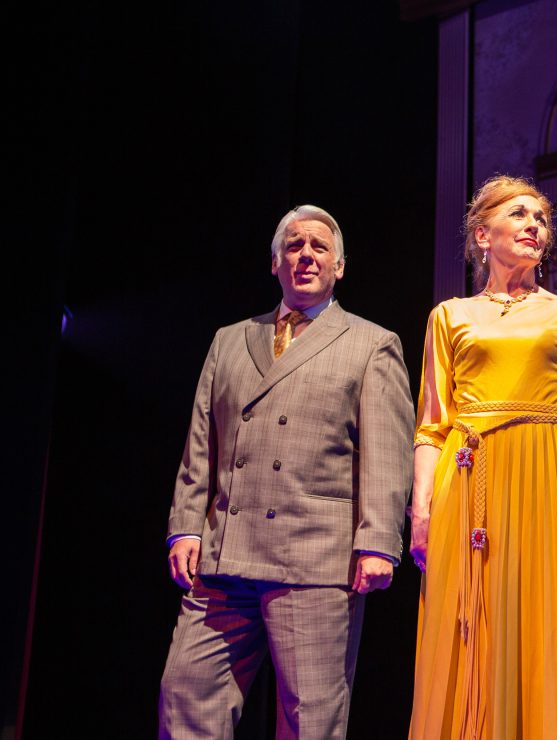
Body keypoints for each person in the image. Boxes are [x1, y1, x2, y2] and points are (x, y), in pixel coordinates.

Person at [158, 205, 415, 739]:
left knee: (310, 719)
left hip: (315, 558)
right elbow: (201, 441)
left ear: (339, 266)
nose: (306, 255)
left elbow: (386, 455)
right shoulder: (230, 339)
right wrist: (185, 527)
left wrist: (377, 542)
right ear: (275, 262)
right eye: (294, 246)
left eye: (319, 247)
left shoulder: (372, 343)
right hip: (224, 556)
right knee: (186, 694)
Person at [407, 175, 557, 739]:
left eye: (541, 219)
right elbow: (431, 425)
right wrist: (421, 511)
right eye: (519, 214)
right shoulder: (448, 316)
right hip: (469, 480)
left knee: (547, 621)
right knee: (469, 624)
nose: (534, 226)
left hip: (551, 480)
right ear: (483, 234)